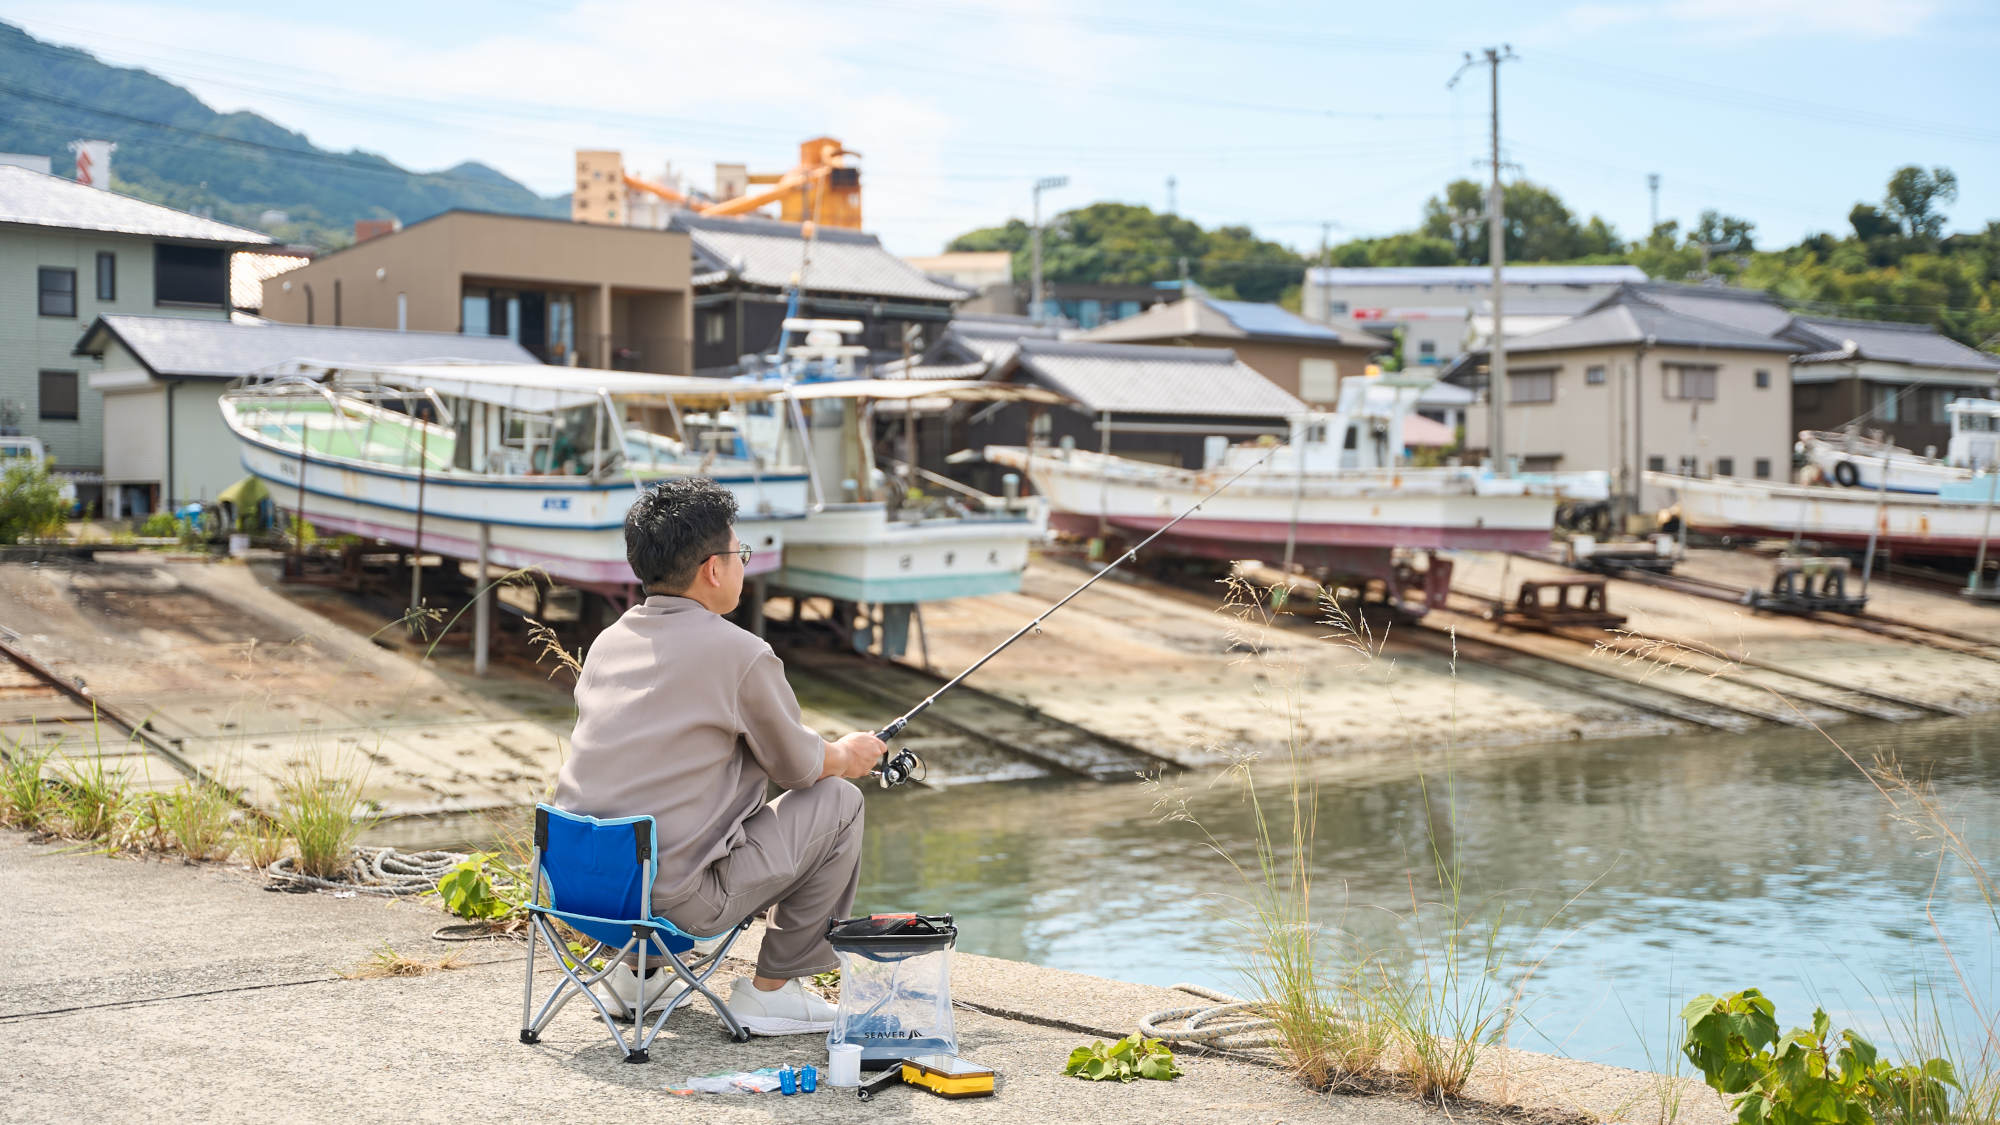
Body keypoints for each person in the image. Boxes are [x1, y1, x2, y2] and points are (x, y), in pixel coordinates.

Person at [553, 477, 884, 1035]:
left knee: (659, 806)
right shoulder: (741, 653)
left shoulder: (610, 641)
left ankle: (640, 976)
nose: (742, 566)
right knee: (840, 800)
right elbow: (800, 769)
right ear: (712, 568)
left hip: (581, 888)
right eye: (739, 554)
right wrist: (848, 753)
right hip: (674, 905)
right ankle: (775, 991)